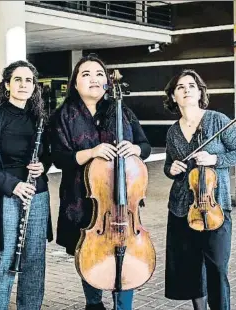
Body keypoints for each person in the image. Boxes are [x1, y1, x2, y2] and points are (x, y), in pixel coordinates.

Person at [50, 54, 152, 310]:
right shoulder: (63, 116)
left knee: (127, 251)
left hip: (121, 204)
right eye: (86, 74)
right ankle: (93, 304)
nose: (94, 79)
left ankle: (123, 306)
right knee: (90, 253)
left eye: (99, 73)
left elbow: (146, 146)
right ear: (75, 83)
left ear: (107, 81)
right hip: (81, 200)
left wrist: (135, 149)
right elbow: (59, 158)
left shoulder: (122, 111)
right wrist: (92, 152)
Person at [162, 69, 236, 310]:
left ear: (200, 92)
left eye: (191, 85)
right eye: (180, 87)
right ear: (173, 97)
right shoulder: (172, 132)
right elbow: (168, 166)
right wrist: (172, 169)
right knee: (190, 267)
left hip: (215, 206)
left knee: (217, 266)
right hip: (182, 208)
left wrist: (214, 160)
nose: (186, 90)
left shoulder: (218, 120)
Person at [0, 60, 53, 310]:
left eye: (28, 80)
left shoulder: (39, 118)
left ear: (34, 86)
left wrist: (43, 166)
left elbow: (47, 155)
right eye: (17, 79)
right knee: (5, 260)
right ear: (7, 85)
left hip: (37, 194)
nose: (23, 84)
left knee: (34, 262)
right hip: (8, 195)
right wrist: (13, 185)